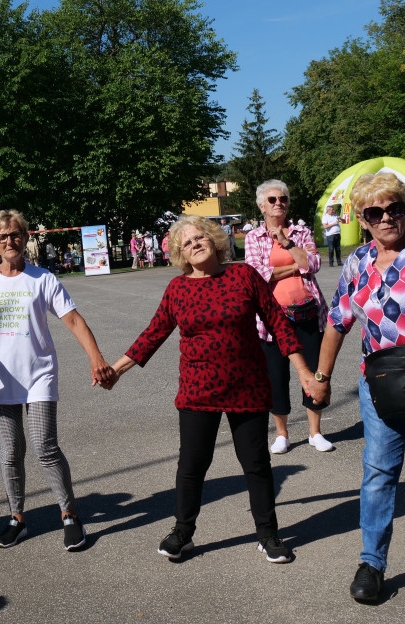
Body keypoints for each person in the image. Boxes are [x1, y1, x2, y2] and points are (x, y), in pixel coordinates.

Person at [103, 215, 309, 564]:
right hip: (198, 389)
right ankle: (183, 532)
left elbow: (277, 320)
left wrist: (303, 370)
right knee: (192, 464)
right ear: (180, 253)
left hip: (247, 386)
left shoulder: (243, 274)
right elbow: (153, 334)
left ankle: (267, 534)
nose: (195, 244)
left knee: (256, 464)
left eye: (200, 237)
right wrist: (117, 369)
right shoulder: (178, 288)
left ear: (214, 239)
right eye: (187, 242)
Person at [314, 172, 405, 602]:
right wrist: (320, 380)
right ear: (362, 219)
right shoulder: (357, 261)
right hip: (383, 384)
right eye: (374, 212)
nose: (386, 218)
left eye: (394, 208)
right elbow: (337, 322)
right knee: (378, 474)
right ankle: (372, 563)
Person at [0, 210, 111, 551]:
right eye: (2, 236)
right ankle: (16, 518)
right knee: (10, 452)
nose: (9, 241)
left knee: (44, 447)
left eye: (16, 234)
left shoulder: (43, 279)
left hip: (38, 375)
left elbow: (75, 321)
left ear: (25, 237)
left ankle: (69, 515)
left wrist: (96, 359)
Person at [244, 179, 332, 455]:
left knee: (315, 372)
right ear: (261, 206)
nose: (278, 203)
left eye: (283, 199)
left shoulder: (301, 232)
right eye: (272, 200)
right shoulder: (252, 237)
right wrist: (297, 265)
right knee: (275, 376)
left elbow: (314, 264)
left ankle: (315, 432)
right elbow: (257, 273)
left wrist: (287, 243)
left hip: (308, 313)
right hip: (270, 321)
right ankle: (282, 433)